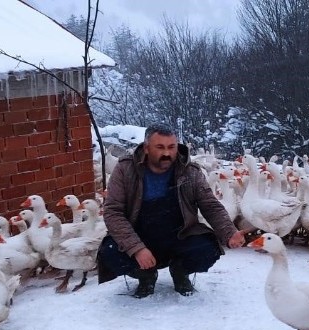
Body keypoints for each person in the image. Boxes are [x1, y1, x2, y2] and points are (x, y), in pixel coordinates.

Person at [97, 123, 245, 297]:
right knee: (110, 253)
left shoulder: (190, 172)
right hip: (139, 234)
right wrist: (136, 248)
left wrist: (229, 232)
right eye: (160, 147)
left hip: (179, 234)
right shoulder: (125, 169)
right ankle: (145, 275)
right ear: (146, 148)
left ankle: (180, 272)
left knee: (208, 248)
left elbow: (210, 205)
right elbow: (113, 212)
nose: (167, 153)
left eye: (171, 147)